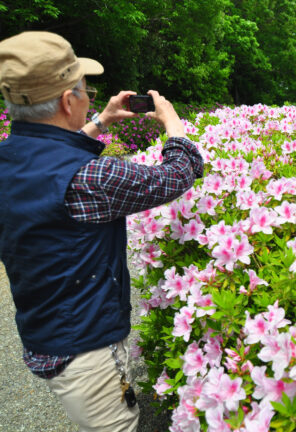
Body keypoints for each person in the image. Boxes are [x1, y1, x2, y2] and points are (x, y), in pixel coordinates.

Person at [0, 31, 203, 431]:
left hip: (45, 331)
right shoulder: (94, 176)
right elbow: (179, 174)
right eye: (85, 89)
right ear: (66, 100)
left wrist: (101, 121)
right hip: (87, 348)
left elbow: (52, 160)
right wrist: (172, 122)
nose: (90, 96)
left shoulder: (9, 159)